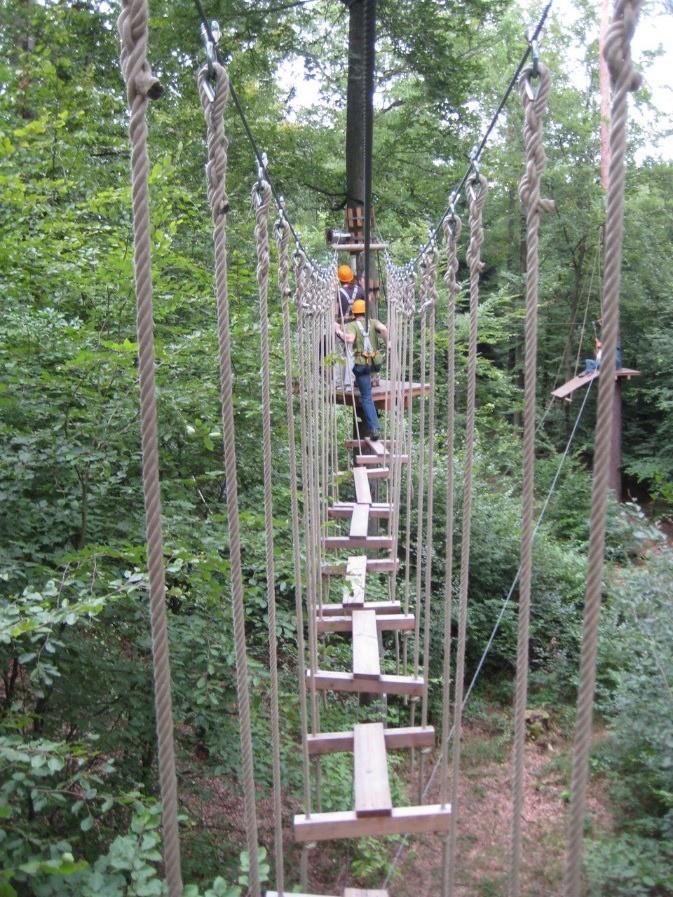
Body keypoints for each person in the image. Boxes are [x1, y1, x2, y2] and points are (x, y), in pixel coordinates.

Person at [335, 298, 389, 441]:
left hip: (362, 365)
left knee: (366, 397)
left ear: (354, 313)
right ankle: (369, 381)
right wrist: (387, 342)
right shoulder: (373, 322)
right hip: (374, 364)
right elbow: (384, 329)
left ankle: (374, 428)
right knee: (364, 384)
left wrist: (338, 331)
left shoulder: (351, 325)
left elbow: (350, 339)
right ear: (365, 311)